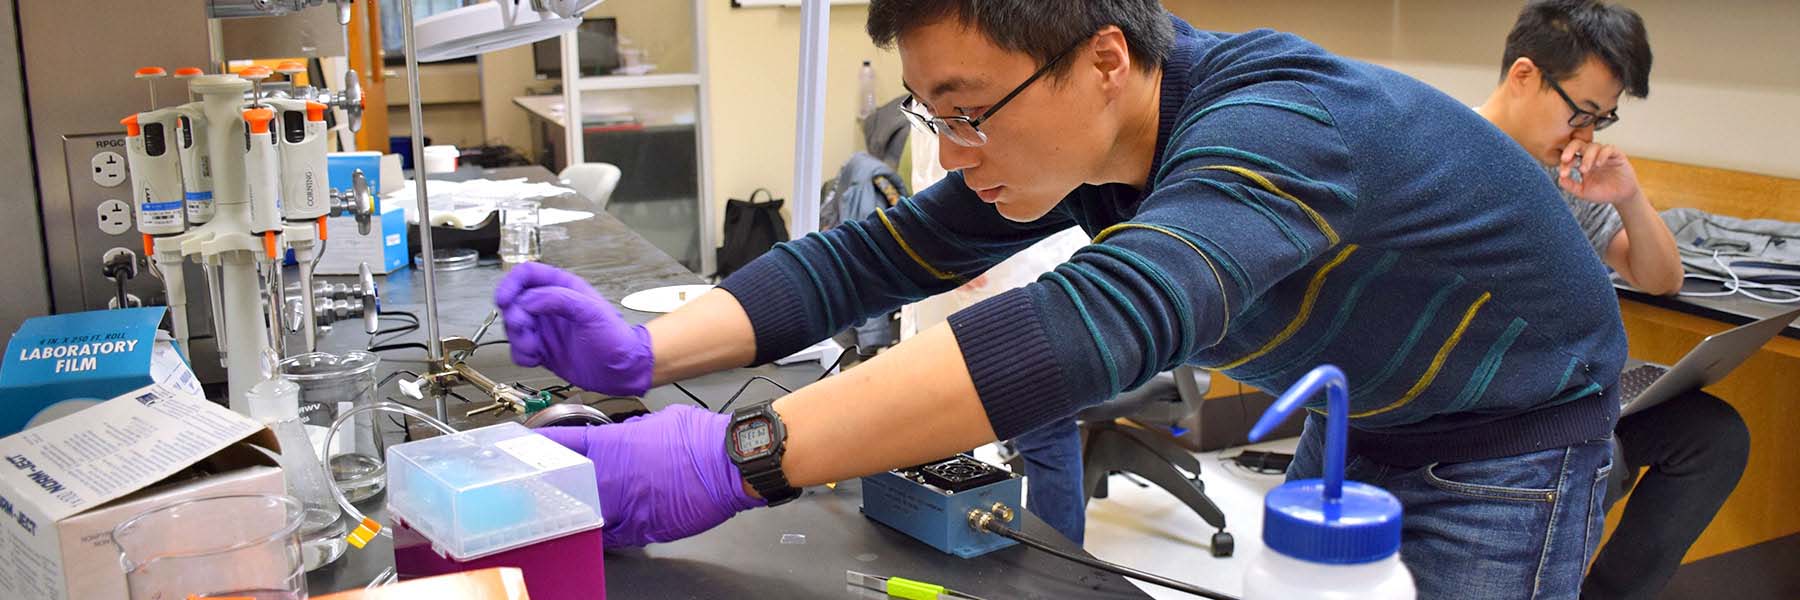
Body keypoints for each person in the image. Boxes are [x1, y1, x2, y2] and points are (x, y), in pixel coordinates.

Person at [497, 1, 1626, 596]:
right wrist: (649, 356)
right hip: (1375, 420)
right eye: (934, 113)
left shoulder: (1278, 122)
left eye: (971, 109)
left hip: (1511, 445)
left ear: (1101, 59)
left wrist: (732, 457)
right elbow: (873, 258)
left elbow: (1102, 320)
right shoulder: (1086, 141)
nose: (954, 149)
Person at [1475, 2, 1750, 598]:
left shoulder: (1564, 172)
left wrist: (1627, 197)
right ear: (1524, 76)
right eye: (1581, 113)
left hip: (1564, 388)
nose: (1586, 135)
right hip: (1495, 403)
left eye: (1603, 119)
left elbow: (1661, 279)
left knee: (1712, 435)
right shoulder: (1454, 159)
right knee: (1599, 457)